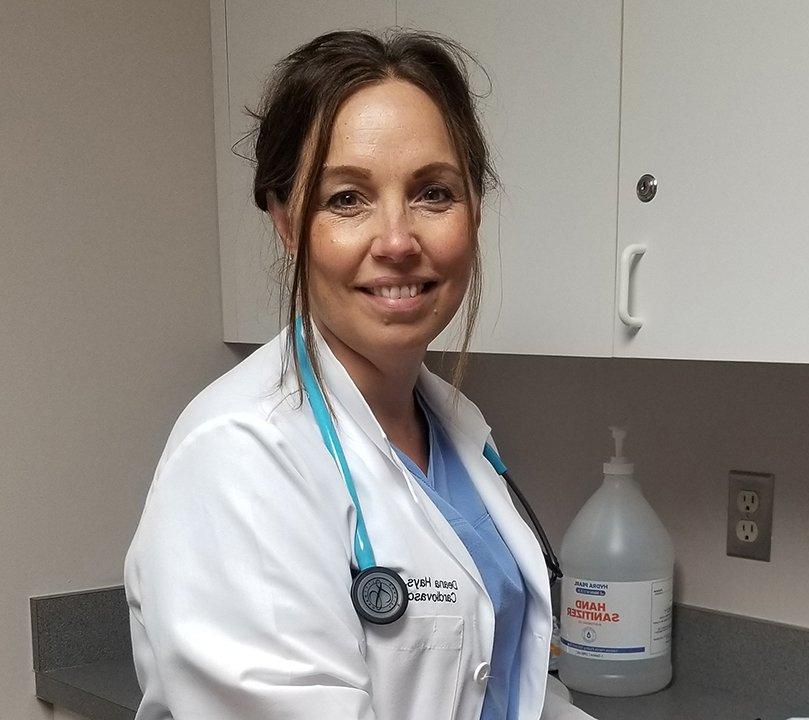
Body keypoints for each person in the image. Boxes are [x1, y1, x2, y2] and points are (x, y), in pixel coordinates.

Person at [125, 30, 593, 719]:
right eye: (347, 199)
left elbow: (507, 690)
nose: (398, 240)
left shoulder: (455, 430)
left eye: (434, 193)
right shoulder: (241, 456)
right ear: (287, 221)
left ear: (475, 211)